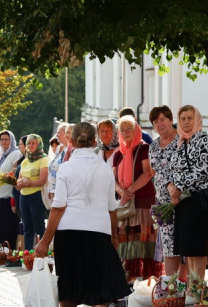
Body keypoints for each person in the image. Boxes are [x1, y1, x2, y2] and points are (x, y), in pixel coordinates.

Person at [35, 122, 131, 307]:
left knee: (69, 290)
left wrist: (45, 241)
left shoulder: (66, 168)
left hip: (69, 233)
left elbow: (58, 208)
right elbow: (112, 209)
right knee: (100, 290)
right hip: (99, 232)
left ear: (71, 141)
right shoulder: (105, 169)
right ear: (95, 140)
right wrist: (114, 236)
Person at [113, 115, 162, 281]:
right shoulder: (118, 153)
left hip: (143, 201)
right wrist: (122, 191)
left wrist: (130, 190)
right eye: (122, 130)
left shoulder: (144, 148)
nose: (126, 132)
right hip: (126, 203)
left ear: (136, 131)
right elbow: (112, 179)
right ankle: (129, 277)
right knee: (127, 240)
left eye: (129, 129)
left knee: (143, 239)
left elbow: (148, 173)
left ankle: (148, 278)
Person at [168, 105, 208, 279]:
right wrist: (173, 188)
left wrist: (179, 187)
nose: (186, 122)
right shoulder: (180, 141)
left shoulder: (202, 139)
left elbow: (202, 171)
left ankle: (198, 286)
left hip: (197, 198)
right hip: (182, 200)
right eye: (182, 118)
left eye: (189, 118)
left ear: (197, 120)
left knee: (197, 246)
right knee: (188, 247)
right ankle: (192, 286)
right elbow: (173, 168)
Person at [148, 106, 181, 275]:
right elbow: (154, 172)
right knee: (169, 246)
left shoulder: (182, 140)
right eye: (155, 122)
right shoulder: (153, 146)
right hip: (164, 205)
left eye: (162, 119)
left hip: (182, 201)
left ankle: (187, 287)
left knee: (184, 247)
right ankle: (172, 288)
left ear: (170, 119)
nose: (159, 124)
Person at [16, 134, 49, 251]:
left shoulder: (44, 159)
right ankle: (28, 254)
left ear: (39, 144)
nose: (30, 146)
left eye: (33, 143)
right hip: (24, 197)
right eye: (28, 143)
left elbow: (42, 180)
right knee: (27, 228)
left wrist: (26, 182)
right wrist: (22, 181)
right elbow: (18, 181)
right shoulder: (25, 161)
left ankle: (45, 252)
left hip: (37, 196)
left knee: (39, 226)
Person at [0, 130, 23, 250]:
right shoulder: (2, 156)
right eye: (2, 139)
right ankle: (0, 248)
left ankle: (8, 249)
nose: (4, 141)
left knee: (9, 224)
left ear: (11, 141)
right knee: (0, 224)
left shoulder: (15, 154)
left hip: (10, 194)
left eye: (6, 139)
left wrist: (7, 178)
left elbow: (15, 173)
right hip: (0, 194)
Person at [47, 123, 69, 198]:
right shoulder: (59, 148)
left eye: (59, 133)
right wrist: (49, 189)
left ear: (66, 133)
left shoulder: (70, 151)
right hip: (52, 190)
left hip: (61, 191)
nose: (57, 135)